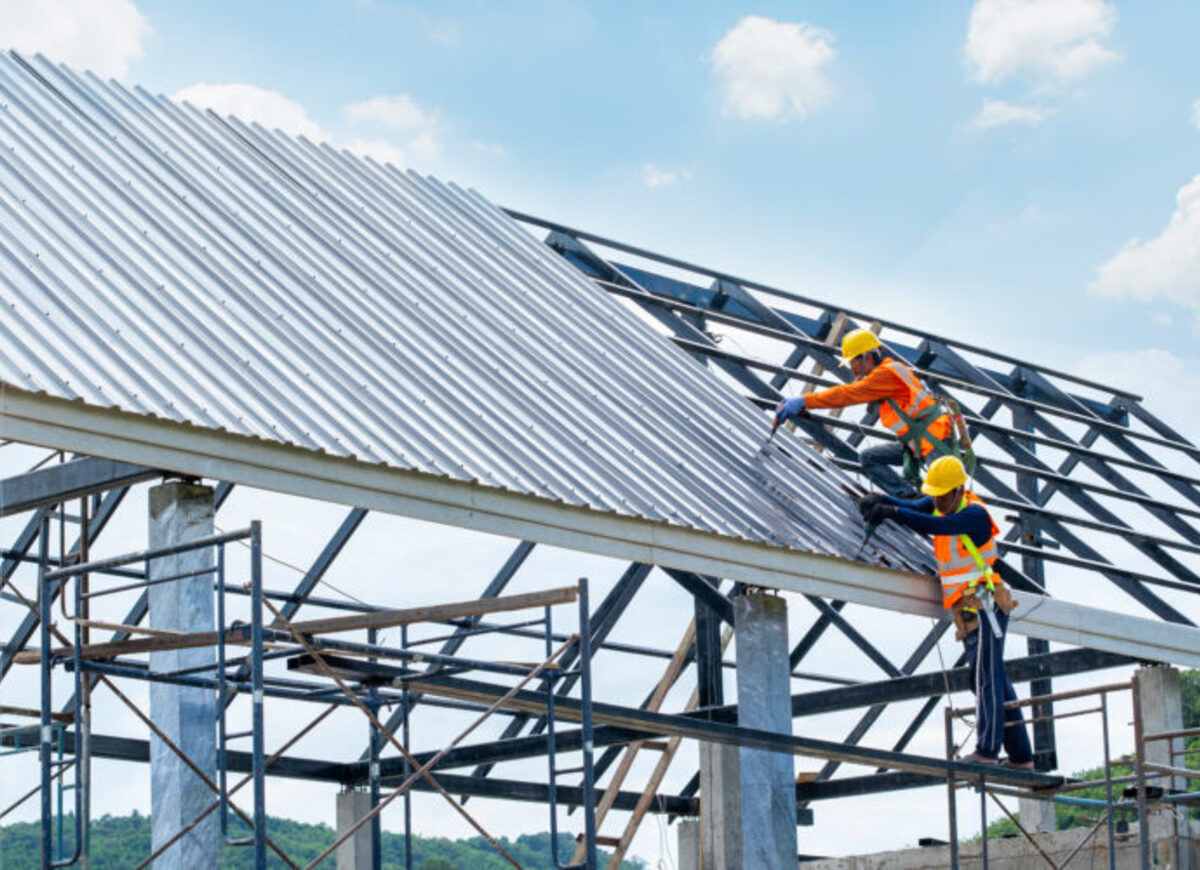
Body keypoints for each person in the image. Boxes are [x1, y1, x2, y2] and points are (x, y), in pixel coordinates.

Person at [859, 456, 1035, 768]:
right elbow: (919, 508)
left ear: (957, 489)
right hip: (968, 608)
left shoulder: (973, 513)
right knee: (992, 680)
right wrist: (883, 500)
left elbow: (937, 525)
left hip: (984, 604)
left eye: (942, 494)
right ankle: (1021, 757)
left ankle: (987, 751)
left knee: (985, 679)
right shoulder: (944, 502)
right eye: (936, 494)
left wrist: (892, 512)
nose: (937, 500)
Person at [774, 329, 954, 497]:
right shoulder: (889, 372)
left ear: (867, 357)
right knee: (869, 458)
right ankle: (911, 500)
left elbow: (847, 394)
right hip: (919, 441)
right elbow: (856, 391)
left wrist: (804, 401)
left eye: (853, 362)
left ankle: (931, 512)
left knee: (944, 497)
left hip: (933, 440)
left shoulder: (886, 374)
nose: (852, 368)